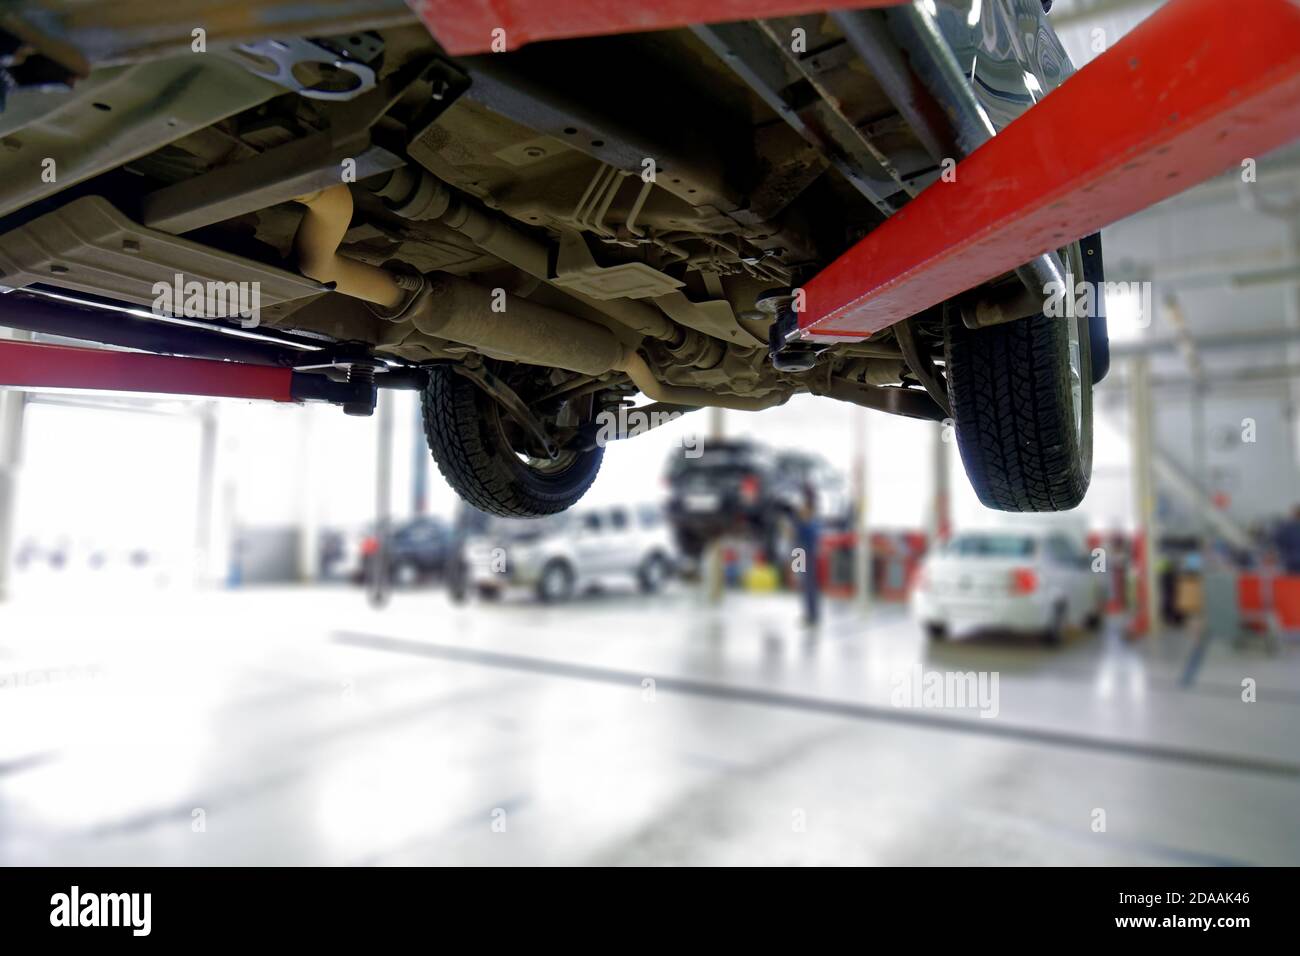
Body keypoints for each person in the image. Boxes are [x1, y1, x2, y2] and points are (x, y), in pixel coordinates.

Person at [793, 484, 822, 627]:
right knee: (803, 584)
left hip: (806, 553)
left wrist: (801, 524)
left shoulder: (810, 518)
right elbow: (796, 534)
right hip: (800, 552)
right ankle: (808, 614)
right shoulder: (805, 517)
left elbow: (810, 535)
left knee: (808, 585)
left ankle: (811, 615)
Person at [1274, 506, 1300, 575]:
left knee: (1289, 582)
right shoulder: (1287, 527)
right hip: (1290, 560)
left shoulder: (1286, 527)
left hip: (1289, 560)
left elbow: (1277, 540)